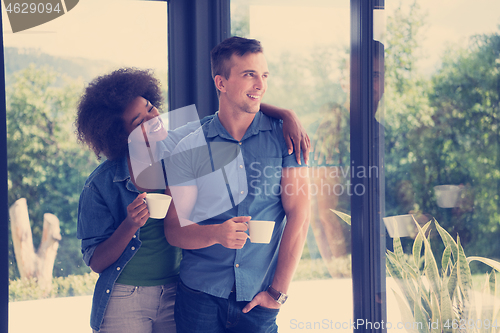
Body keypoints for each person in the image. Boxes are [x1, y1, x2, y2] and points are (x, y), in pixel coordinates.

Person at [75, 67, 309, 333]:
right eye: (138, 121)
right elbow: (96, 261)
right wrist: (130, 224)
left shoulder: (181, 145)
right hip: (126, 295)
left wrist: (286, 114)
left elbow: (231, 110)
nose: (153, 120)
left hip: (178, 291)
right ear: (120, 135)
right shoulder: (101, 184)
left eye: (151, 108)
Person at [164, 36, 310, 333]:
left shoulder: (286, 138)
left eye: (264, 75)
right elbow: (174, 230)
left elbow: (300, 214)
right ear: (221, 82)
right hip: (199, 298)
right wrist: (217, 234)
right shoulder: (190, 146)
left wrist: (277, 293)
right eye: (249, 75)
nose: (260, 85)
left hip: (259, 300)